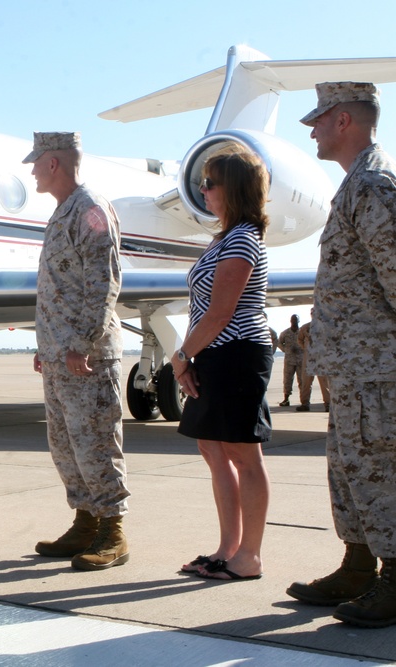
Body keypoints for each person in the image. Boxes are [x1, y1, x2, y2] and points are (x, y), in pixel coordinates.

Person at [285, 81, 396, 628]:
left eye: (320, 119)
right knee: (352, 472)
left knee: (381, 471)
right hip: (353, 368)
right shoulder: (355, 185)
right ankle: (357, 566)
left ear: (345, 120)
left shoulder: (374, 185)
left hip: (378, 369)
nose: (312, 129)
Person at [25, 132, 130, 571]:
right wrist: (48, 346)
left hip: (86, 355)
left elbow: (103, 283)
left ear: (54, 163)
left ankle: (113, 530)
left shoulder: (89, 208)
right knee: (66, 446)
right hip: (59, 353)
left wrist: (82, 342)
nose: (31, 170)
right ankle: (86, 519)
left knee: (95, 443)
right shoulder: (61, 213)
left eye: (36, 162)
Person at [172, 146, 273, 582]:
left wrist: (181, 356)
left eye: (211, 183)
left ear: (233, 189)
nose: (203, 190)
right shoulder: (225, 238)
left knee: (242, 454)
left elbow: (221, 312)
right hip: (214, 352)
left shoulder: (243, 238)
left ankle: (248, 557)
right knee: (212, 449)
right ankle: (226, 548)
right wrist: (192, 356)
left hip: (236, 353)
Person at [296, 308, 331, 412]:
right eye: (312, 313)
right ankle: (305, 404)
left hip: (321, 359)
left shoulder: (325, 327)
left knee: (325, 383)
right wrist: (306, 349)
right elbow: (299, 340)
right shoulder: (305, 328)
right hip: (308, 359)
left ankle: (328, 404)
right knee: (306, 382)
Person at [277, 314, 302, 407]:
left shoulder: (302, 332)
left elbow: (308, 342)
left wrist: (302, 349)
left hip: (301, 360)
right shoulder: (286, 333)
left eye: (296, 320)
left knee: (302, 380)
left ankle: (304, 400)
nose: (294, 321)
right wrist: (285, 350)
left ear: (298, 321)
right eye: (293, 320)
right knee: (287, 380)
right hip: (289, 360)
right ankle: (286, 399)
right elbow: (279, 342)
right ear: (290, 321)